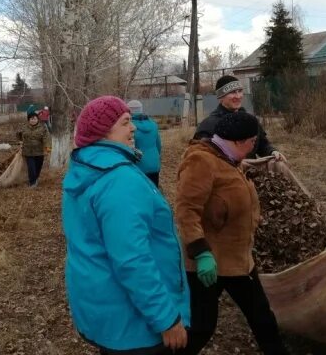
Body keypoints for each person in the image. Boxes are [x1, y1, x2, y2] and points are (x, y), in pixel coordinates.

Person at [62, 96, 190, 355]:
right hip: (134, 325)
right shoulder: (119, 179)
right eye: (125, 122)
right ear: (103, 131)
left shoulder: (85, 168)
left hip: (104, 309)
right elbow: (132, 259)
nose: (133, 128)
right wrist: (166, 318)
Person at [176, 111, 288, 355]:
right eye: (251, 143)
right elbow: (186, 211)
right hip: (210, 265)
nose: (252, 148)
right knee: (202, 327)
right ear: (238, 141)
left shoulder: (230, 158)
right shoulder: (201, 162)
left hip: (238, 259)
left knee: (262, 319)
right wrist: (201, 252)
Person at [194, 75, 285, 161]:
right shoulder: (209, 125)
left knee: (278, 164)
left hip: (253, 171)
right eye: (233, 92)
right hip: (225, 173)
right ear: (220, 97)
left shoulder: (249, 120)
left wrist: (272, 152)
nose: (238, 96)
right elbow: (200, 158)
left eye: (240, 91)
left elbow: (262, 144)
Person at [128, 99, 162, 187]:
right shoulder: (153, 124)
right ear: (141, 110)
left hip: (139, 166)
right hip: (154, 164)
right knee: (154, 191)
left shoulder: (129, 127)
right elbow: (158, 145)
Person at [18, 110, 51, 187]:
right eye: (31, 119)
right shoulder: (24, 127)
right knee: (31, 167)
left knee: (38, 167)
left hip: (39, 151)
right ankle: (32, 182)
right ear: (28, 120)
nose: (33, 120)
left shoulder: (43, 128)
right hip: (28, 151)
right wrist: (20, 139)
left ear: (37, 119)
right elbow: (19, 135)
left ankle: (35, 179)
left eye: (35, 119)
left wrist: (48, 147)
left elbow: (46, 138)